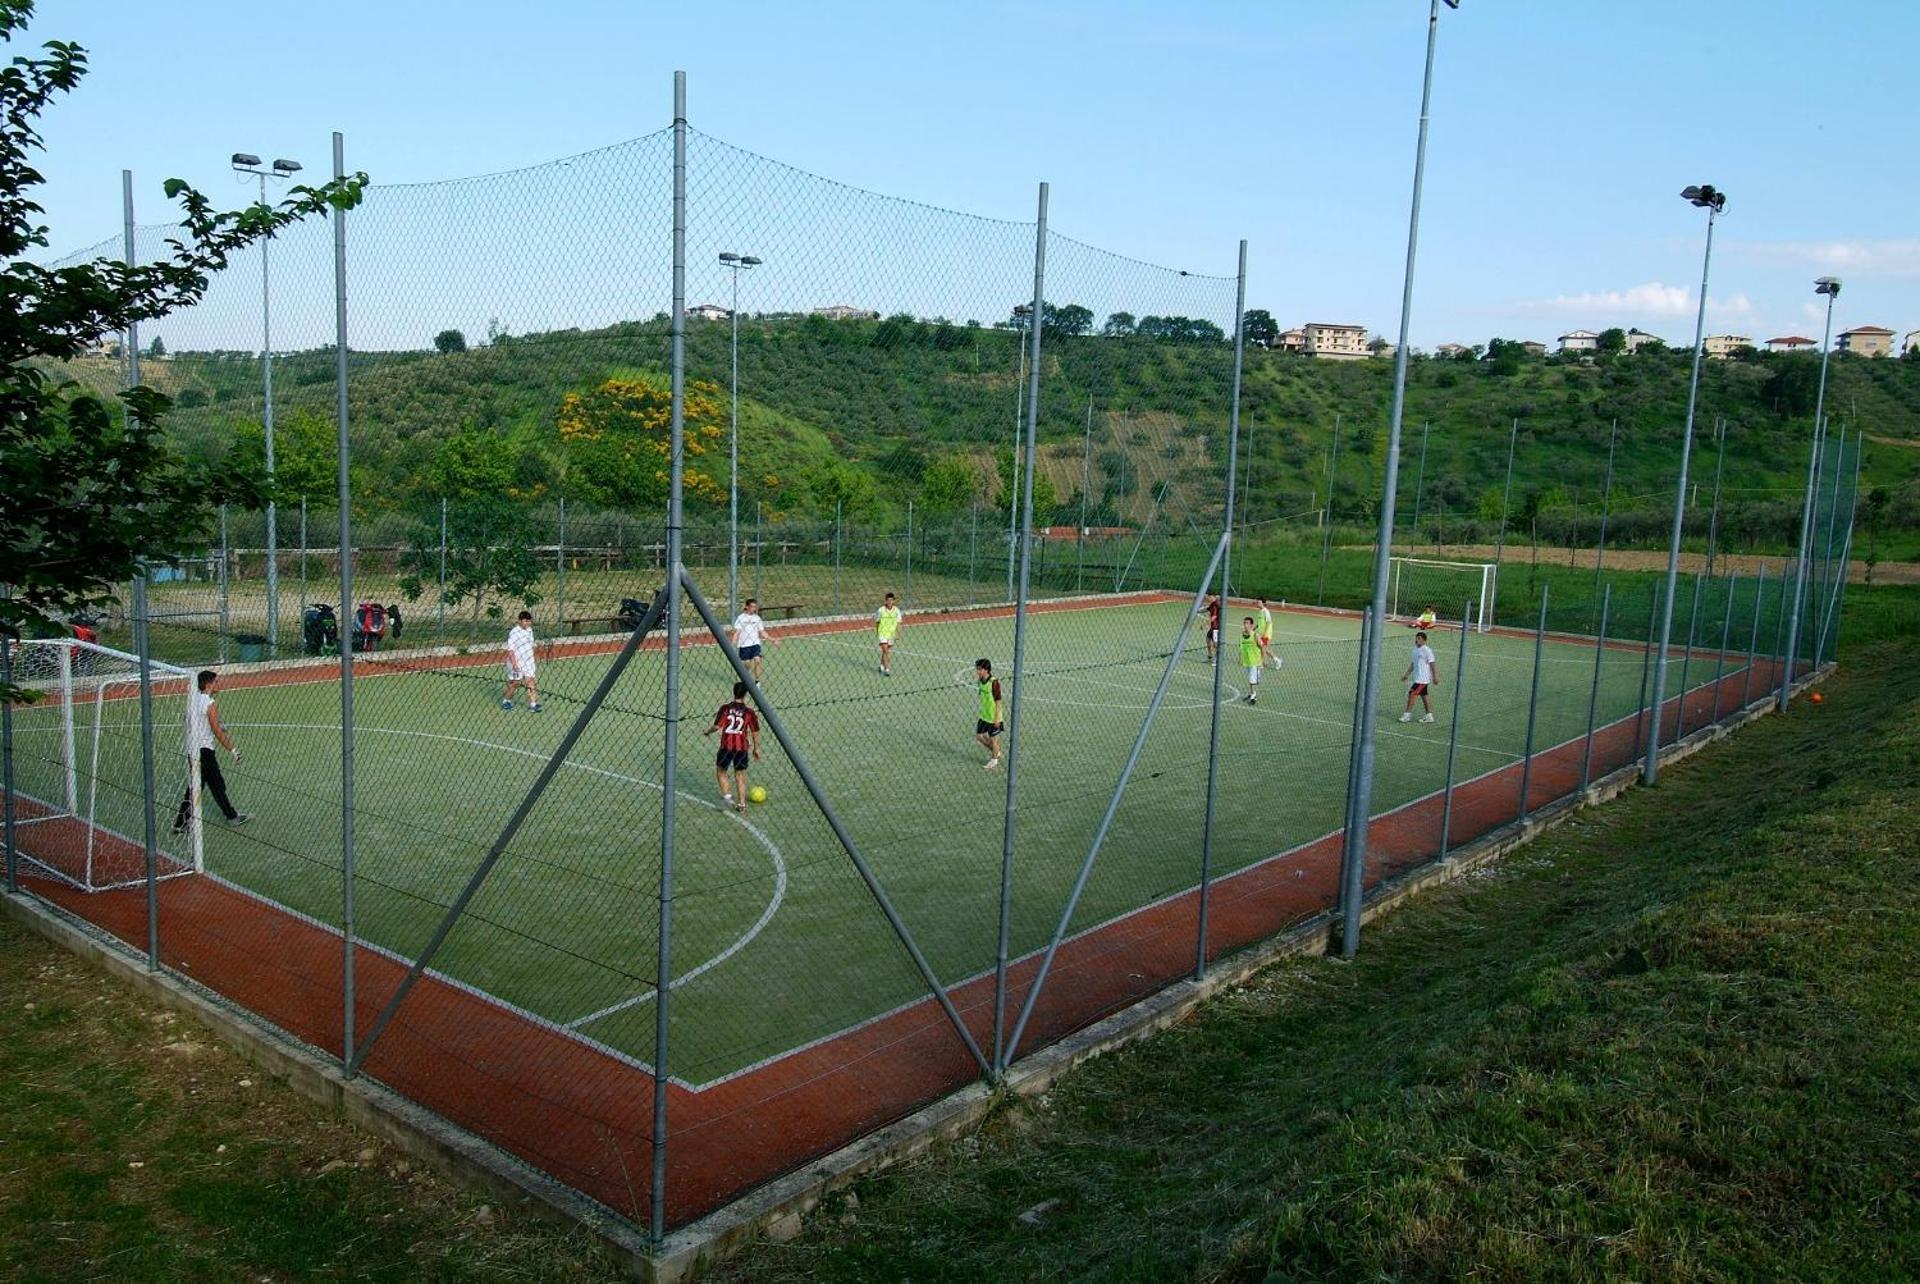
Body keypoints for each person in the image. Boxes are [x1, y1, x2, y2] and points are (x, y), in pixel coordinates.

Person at [173, 670, 249, 831]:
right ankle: (232, 817)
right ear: (208, 684)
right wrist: (233, 749)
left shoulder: (192, 701)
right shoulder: (209, 703)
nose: (218, 684)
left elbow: (189, 721)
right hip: (205, 751)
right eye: (216, 682)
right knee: (215, 785)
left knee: (199, 786)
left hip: (192, 749)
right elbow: (216, 730)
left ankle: (181, 822)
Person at [702, 681, 761, 813]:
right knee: (739, 774)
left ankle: (728, 798)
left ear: (734, 692)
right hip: (742, 748)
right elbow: (755, 732)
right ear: (746, 695)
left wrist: (707, 732)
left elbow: (717, 726)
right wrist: (756, 748)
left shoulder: (725, 708)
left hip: (726, 747)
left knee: (721, 771)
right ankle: (742, 804)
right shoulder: (749, 712)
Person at [503, 610, 541, 711]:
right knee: (515, 683)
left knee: (530, 682)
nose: (528, 623)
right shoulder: (514, 632)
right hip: (516, 662)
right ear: (519, 621)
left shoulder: (529, 630)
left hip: (528, 662)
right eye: (525, 621)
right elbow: (510, 650)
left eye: (529, 621)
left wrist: (534, 657)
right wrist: (514, 663)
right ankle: (506, 701)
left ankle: (533, 704)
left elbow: (532, 645)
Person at [730, 597, 774, 683]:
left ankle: (757, 682)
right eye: (752, 607)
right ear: (747, 607)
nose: (754, 609)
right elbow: (737, 633)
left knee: (757, 660)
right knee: (747, 664)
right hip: (744, 645)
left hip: (755, 644)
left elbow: (762, 632)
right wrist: (732, 644)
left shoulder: (757, 618)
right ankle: (745, 675)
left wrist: (772, 639)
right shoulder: (741, 618)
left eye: (755, 607)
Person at [1399, 630, 1440, 723]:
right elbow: (1413, 664)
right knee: (1424, 696)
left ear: (1424, 640)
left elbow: (1432, 664)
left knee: (1412, 694)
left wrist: (1435, 676)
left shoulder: (1427, 650)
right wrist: (1406, 675)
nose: (1416, 640)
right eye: (1416, 638)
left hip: (1422, 679)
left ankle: (1407, 715)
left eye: (1419, 639)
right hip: (1417, 678)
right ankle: (1429, 716)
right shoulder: (1415, 650)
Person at [974, 658, 1004, 770]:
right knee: (979, 736)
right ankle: (996, 751)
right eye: (977, 669)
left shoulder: (994, 683)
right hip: (984, 715)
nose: (977, 671)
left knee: (994, 739)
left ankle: (994, 760)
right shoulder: (981, 681)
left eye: (979, 669)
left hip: (994, 717)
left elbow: (999, 701)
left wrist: (997, 718)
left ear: (986, 670)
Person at [875, 592, 902, 676]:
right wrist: (877, 632)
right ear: (885, 601)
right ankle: (887, 668)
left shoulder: (897, 610)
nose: (890, 602)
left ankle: (881, 666)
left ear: (894, 601)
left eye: (891, 600)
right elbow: (877, 622)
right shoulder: (881, 610)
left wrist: (898, 633)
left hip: (891, 634)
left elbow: (899, 623)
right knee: (886, 651)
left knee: (885, 651)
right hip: (882, 633)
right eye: (888, 600)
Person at [1238, 617, 1263, 704]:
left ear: (1251, 625)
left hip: (1255, 661)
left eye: (1247, 623)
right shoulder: (1242, 636)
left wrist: (1264, 659)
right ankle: (1251, 693)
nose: (1245, 625)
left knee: (1252, 680)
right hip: (1247, 661)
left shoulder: (1255, 635)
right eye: (1244, 623)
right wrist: (1240, 658)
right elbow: (1240, 648)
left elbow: (1261, 647)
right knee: (1251, 679)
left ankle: (1254, 697)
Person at [1257, 598, 1281, 670]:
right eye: (1257, 602)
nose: (1258, 604)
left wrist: (1264, 633)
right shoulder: (1260, 612)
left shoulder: (1266, 612)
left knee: (1263, 649)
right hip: (1260, 633)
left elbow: (1268, 623)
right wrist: (1254, 629)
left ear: (1263, 603)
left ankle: (1263, 664)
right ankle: (1277, 660)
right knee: (1263, 648)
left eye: (1259, 602)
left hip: (1266, 634)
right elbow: (1260, 623)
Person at [1199, 593, 1222, 662]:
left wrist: (1204, 624)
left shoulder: (1215, 605)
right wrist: (1197, 610)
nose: (1209, 598)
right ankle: (1210, 656)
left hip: (1216, 627)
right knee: (1208, 639)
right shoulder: (1212, 604)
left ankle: (1217, 659)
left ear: (1214, 597)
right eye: (1208, 597)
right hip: (1213, 627)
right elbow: (1206, 609)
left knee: (1215, 643)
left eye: (1211, 597)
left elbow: (1213, 617)